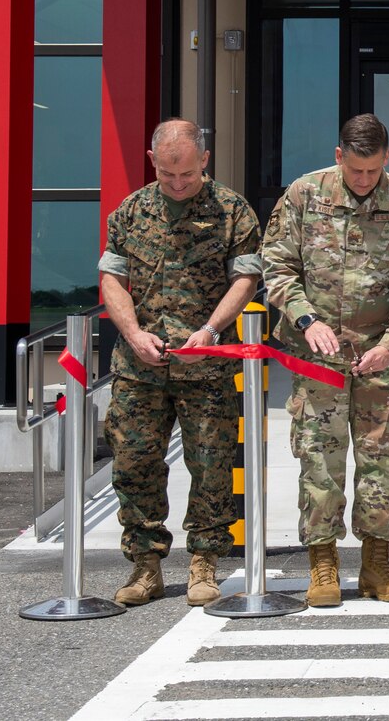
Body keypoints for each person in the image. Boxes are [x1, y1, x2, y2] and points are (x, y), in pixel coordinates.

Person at [262, 113, 389, 607]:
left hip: (381, 358)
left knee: (381, 462)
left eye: (373, 170)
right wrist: (305, 320)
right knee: (319, 459)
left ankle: (377, 566)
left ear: (387, 160)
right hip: (317, 358)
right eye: (356, 170)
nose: (364, 180)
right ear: (340, 157)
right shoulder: (304, 195)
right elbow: (276, 267)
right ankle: (322, 566)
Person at [97, 119, 262, 608]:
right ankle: (146, 568)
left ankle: (204, 563)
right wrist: (132, 333)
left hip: (205, 366)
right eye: (168, 175)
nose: (177, 184)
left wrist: (210, 329)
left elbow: (245, 280)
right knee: (134, 465)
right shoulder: (130, 211)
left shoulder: (233, 211)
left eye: (187, 175)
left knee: (211, 467)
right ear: (153, 161)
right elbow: (110, 279)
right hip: (139, 366)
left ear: (204, 160)